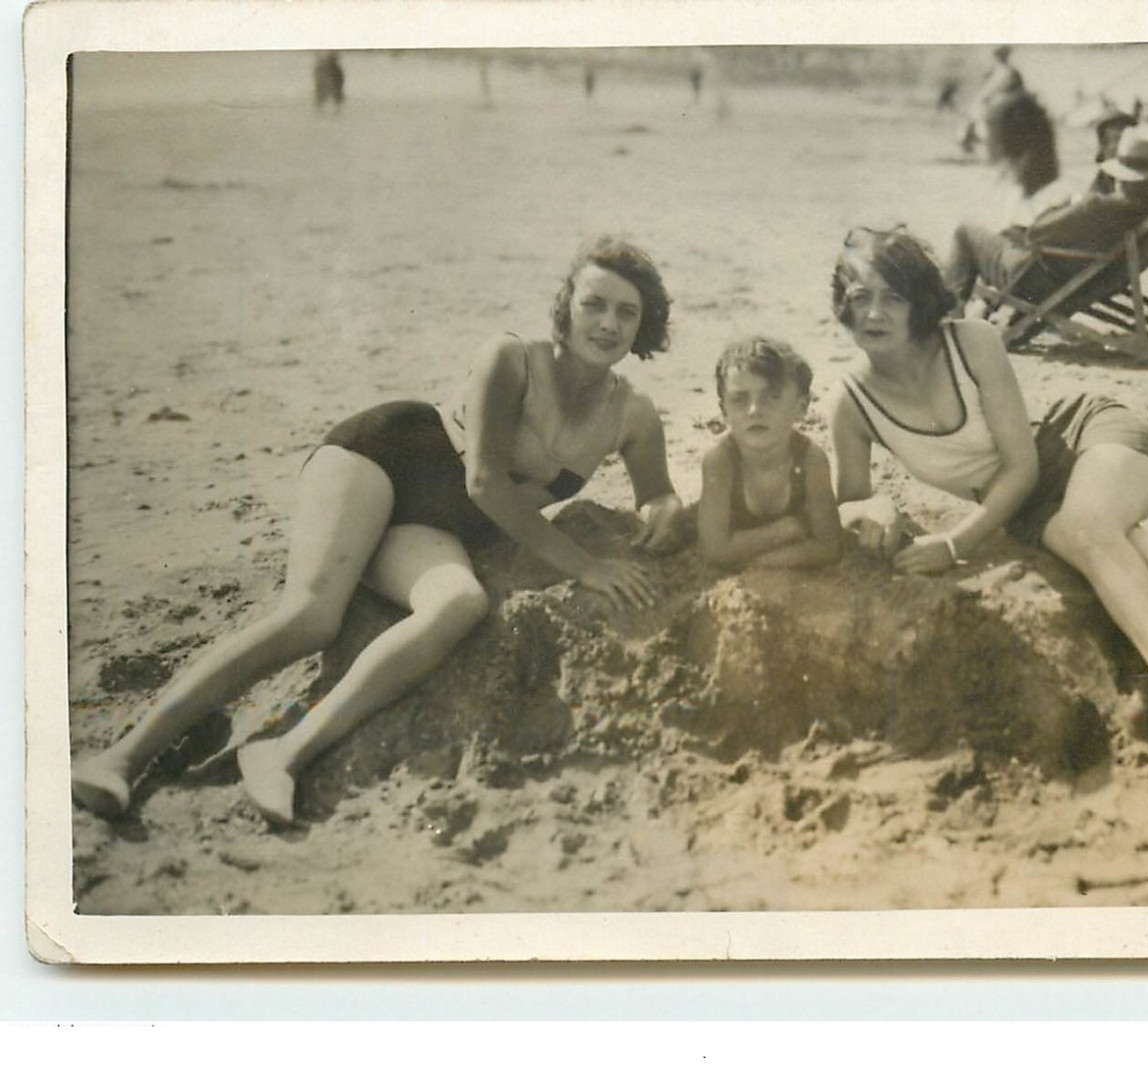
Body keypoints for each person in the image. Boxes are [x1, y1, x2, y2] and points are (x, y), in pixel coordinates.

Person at [71, 237, 688, 825]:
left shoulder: (630, 413)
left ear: (644, 326)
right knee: (312, 617)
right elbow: (486, 485)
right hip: (382, 458)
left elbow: (656, 491)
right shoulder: (511, 357)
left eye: (626, 313)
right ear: (567, 308)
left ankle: (284, 753)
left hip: (436, 527)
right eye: (594, 304)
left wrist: (663, 511)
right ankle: (122, 757)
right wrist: (586, 565)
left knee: (459, 604)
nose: (607, 323)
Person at [827, 226, 1148, 824]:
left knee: (1085, 528)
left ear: (919, 297)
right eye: (858, 295)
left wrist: (956, 543)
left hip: (1088, 440)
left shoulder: (970, 341)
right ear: (841, 300)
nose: (872, 312)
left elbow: (1021, 467)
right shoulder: (852, 401)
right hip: (1036, 513)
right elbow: (853, 503)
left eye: (891, 296)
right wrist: (880, 510)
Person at [943, 125, 1148, 310]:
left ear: (1122, 176)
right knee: (1009, 232)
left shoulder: (1096, 207)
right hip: (1085, 278)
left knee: (965, 232)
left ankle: (950, 311)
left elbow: (1037, 233)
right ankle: (981, 307)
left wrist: (1066, 205)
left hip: (1038, 279)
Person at [697, 336, 842, 571]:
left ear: (801, 407)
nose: (754, 410)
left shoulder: (810, 459)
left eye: (772, 397)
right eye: (739, 399)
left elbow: (829, 545)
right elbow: (714, 551)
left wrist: (760, 563)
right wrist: (786, 530)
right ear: (724, 410)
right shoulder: (720, 461)